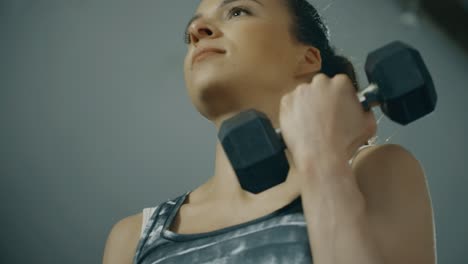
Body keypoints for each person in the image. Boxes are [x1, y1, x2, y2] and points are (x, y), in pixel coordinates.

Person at [103, 0, 436, 263]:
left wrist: (322, 160)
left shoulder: (377, 171)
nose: (196, 30)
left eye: (237, 11)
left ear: (307, 58)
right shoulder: (131, 238)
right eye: (191, 29)